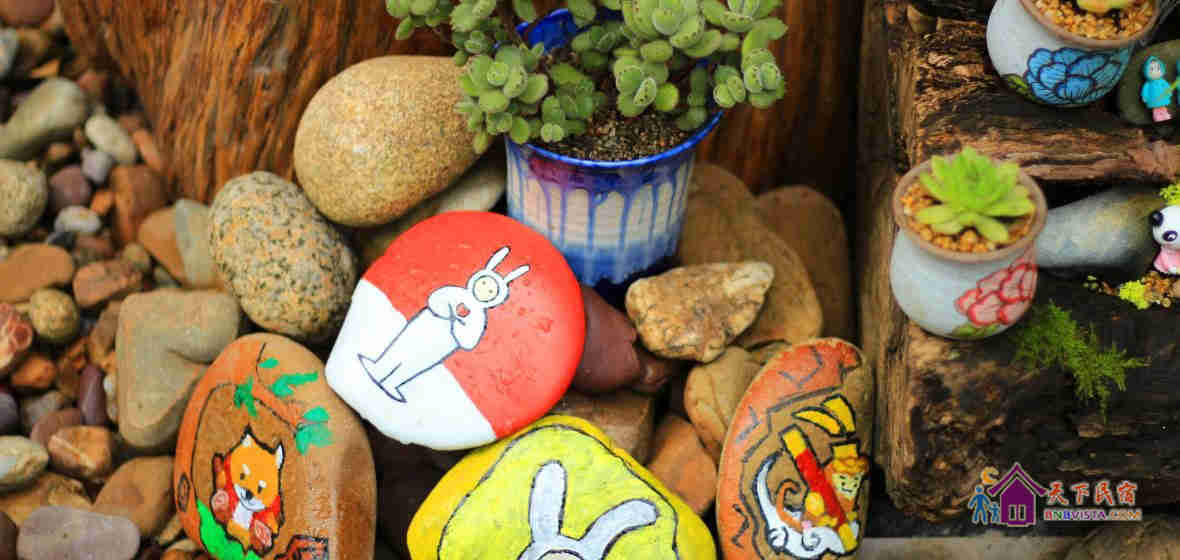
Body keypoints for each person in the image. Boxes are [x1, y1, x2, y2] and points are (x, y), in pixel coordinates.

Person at [1141, 56, 1174, 123]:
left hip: (1162, 98)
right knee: (1156, 110)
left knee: (1163, 108)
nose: (1156, 71)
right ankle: (1157, 117)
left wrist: (1169, 92)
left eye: (1158, 68)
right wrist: (1145, 97)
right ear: (1146, 71)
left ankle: (1165, 115)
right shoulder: (1148, 84)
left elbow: (1167, 87)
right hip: (1154, 100)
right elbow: (1145, 91)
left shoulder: (1162, 81)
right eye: (1152, 69)